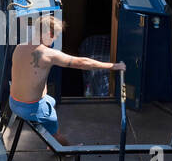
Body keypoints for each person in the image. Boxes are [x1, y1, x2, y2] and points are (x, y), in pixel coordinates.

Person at [9, 14, 125, 146]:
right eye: (55, 36)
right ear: (49, 33)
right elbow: (83, 63)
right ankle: (66, 149)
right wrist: (113, 66)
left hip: (14, 102)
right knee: (56, 133)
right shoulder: (49, 54)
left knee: (51, 100)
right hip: (32, 108)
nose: (54, 41)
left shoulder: (19, 47)